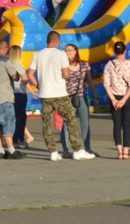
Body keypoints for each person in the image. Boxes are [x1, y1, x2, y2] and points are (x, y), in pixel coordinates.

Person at [27, 31, 95, 161]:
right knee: (71, 120)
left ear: (47, 40)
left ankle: (53, 152)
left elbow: (30, 74)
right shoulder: (61, 54)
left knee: (47, 123)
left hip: (45, 95)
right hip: (60, 93)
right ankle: (77, 150)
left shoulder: (37, 54)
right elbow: (66, 74)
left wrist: (39, 86)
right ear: (57, 41)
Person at [0, 40, 27, 159]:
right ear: (6, 49)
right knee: (9, 121)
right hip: (5, 96)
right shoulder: (6, 61)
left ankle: (0, 150)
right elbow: (15, 77)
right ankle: (11, 150)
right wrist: (18, 75)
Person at [102, 41, 130, 160]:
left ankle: (119, 152)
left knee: (117, 124)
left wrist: (113, 100)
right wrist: (124, 100)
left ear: (114, 51)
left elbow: (106, 84)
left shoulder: (109, 65)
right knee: (126, 124)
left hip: (114, 97)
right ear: (125, 51)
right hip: (128, 98)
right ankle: (126, 152)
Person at [60, 44, 97, 157]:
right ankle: (65, 150)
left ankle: (87, 148)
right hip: (66, 97)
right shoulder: (62, 65)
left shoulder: (84, 64)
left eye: (70, 50)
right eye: (66, 51)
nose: (68, 52)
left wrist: (95, 95)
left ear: (76, 51)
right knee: (66, 124)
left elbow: (90, 80)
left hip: (81, 96)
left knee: (85, 123)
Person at [7, 44, 35, 149]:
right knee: (21, 118)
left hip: (10, 94)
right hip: (19, 93)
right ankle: (20, 140)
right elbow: (25, 79)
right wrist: (32, 91)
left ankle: (14, 140)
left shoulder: (7, 65)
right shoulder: (18, 66)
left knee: (13, 118)